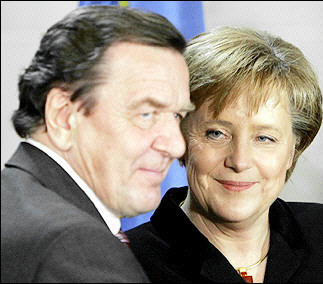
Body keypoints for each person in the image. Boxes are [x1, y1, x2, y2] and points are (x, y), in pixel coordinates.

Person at [126, 26, 323, 283]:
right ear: (180, 138)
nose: (240, 161)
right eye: (216, 133)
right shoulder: (124, 264)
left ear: (293, 150)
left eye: (264, 138)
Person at [1, 5, 193, 283]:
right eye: (146, 114)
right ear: (63, 116)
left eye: (177, 115)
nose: (177, 146)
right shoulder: (77, 246)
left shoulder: (15, 203)